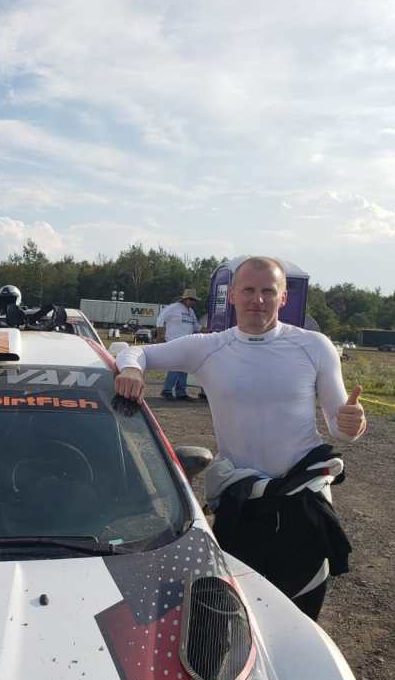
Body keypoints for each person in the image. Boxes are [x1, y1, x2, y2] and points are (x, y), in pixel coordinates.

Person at [114, 257, 367, 620]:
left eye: (268, 291)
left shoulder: (314, 346)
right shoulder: (208, 347)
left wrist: (353, 423)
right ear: (232, 295)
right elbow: (134, 351)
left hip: (303, 504)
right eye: (248, 290)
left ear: (283, 298)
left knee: (299, 616)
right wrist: (131, 370)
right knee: (239, 616)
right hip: (241, 503)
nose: (257, 300)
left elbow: (340, 427)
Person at [154, 288, 201, 400]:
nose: (193, 302)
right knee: (175, 366)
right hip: (174, 342)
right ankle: (167, 390)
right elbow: (160, 319)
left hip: (187, 344)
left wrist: (207, 330)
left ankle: (181, 392)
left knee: (184, 368)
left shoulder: (191, 312)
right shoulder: (173, 307)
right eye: (191, 299)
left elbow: (196, 326)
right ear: (185, 299)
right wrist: (160, 335)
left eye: (194, 300)